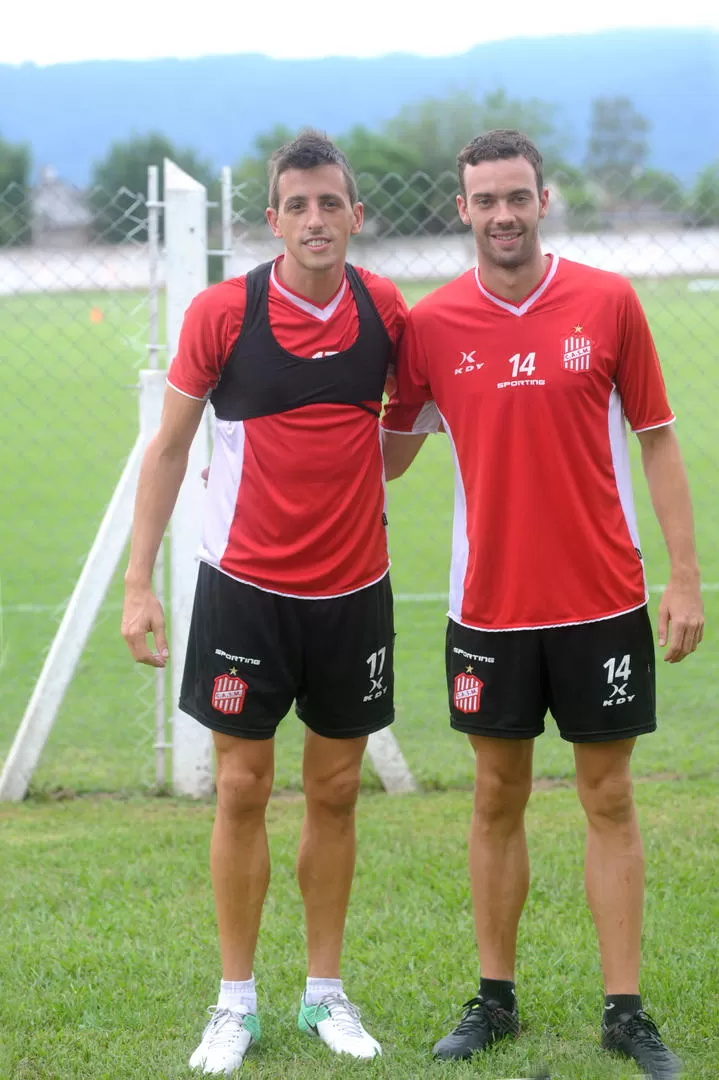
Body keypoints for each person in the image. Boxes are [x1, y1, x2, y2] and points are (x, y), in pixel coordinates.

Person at [381, 129, 703, 1079]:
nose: (503, 214)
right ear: (462, 209)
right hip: (489, 608)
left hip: (602, 600)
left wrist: (681, 578)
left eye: (517, 196)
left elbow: (659, 439)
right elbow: (389, 453)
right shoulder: (433, 326)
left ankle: (625, 1010)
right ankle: (494, 1000)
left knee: (609, 797)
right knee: (495, 799)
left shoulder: (607, 302)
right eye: (485, 200)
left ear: (544, 198)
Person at [122, 129, 408, 1075]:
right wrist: (137, 585)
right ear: (273, 218)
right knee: (241, 789)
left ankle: (324, 992)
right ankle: (233, 1002)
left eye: (333, 204)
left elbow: (402, 434)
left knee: (333, 791)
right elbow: (166, 451)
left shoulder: (387, 311)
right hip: (243, 592)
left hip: (355, 593)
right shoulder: (223, 314)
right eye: (300, 205)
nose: (317, 220)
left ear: (356, 216)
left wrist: (353, 495)